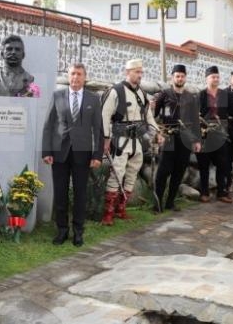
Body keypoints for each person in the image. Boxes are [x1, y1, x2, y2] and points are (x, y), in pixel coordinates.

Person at [42, 63, 103, 247]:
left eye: (79, 74)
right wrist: (47, 151)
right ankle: (62, 230)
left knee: (80, 194)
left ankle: (78, 231)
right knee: (60, 194)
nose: (75, 77)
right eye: (72, 74)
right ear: (68, 76)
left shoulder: (93, 99)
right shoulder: (57, 95)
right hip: (59, 153)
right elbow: (48, 125)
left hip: (83, 154)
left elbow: (98, 129)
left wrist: (97, 155)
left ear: (85, 77)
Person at [100, 59, 157, 225]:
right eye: (137, 72)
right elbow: (104, 116)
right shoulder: (115, 91)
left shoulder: (142, 94)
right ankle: (108, 214)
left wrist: (156, 132)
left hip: (136, 141)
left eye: (141, 72)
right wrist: (105, 138)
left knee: (132, 174)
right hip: (120, 140)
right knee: (116, 174)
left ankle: (121, 209)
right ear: (128, 72)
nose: (140, 75)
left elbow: (148, 116)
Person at [152, 64, 201, 212]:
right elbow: (152, 117)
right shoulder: (164, 95)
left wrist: (197, 140)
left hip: (185, 139)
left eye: (182, 76)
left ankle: (170, 202)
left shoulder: (190, 97)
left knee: (179, 171)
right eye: (177, 76)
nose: (180, 78)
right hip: (168, 137)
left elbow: (195, 120)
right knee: (163, 171)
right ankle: (157, 203)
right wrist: (157, 130)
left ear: (185, 78)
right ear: (172, 77)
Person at [196, 66, 233, 204]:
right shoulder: (201, 95)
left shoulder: (225, 95)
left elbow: (231, 112)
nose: (216, 79)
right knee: (204, 165)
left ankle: (221, 192)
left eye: (217, 77)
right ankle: (204, 192)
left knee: (223, 164)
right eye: (213, 77)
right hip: (205, 133)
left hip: (221, 134)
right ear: (207, 78)